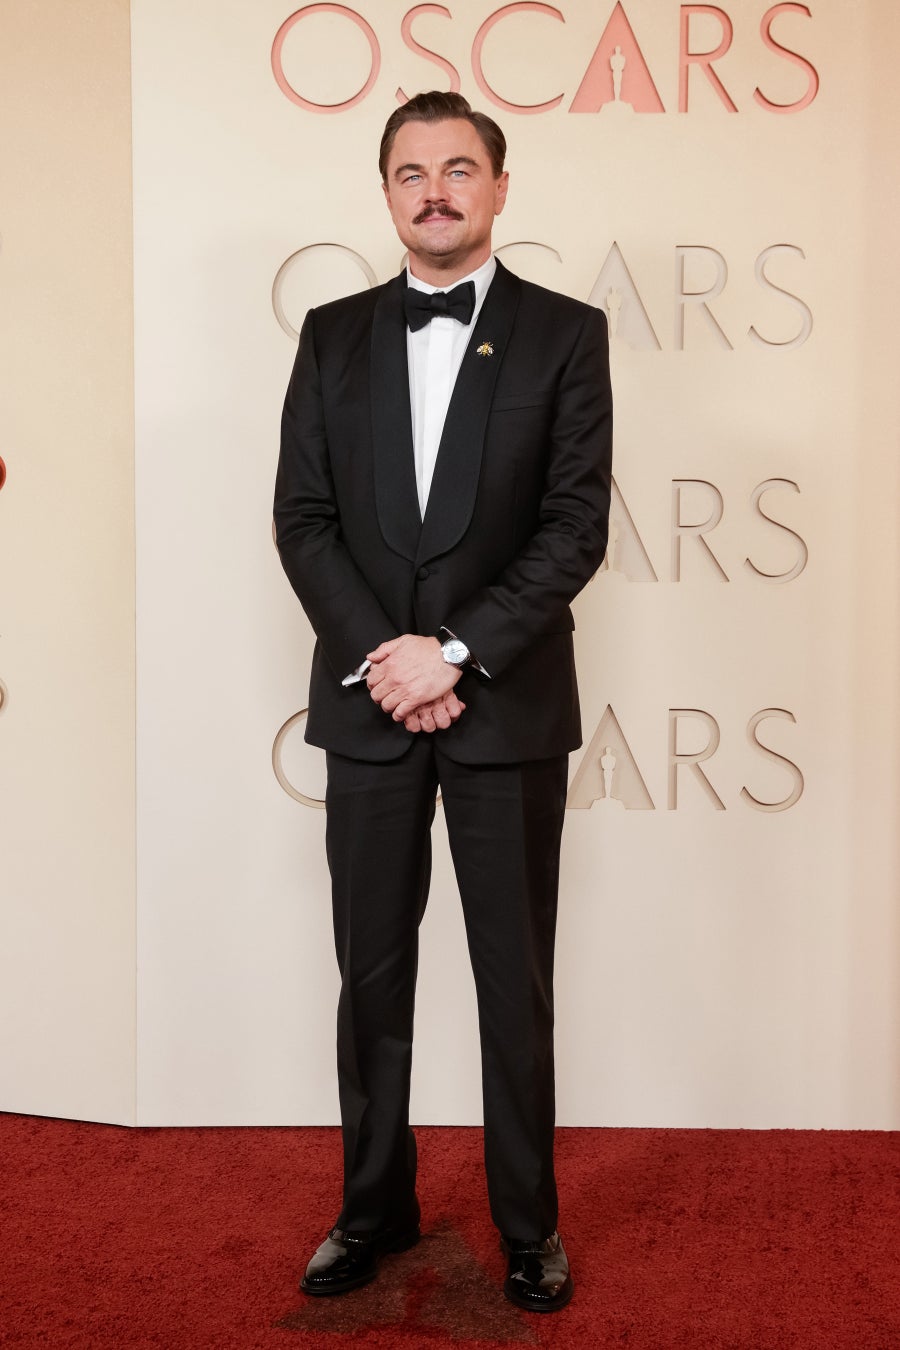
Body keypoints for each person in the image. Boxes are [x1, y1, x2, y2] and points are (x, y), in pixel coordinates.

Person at [274, 90, 612, 1313]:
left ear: (499, 188)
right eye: (411, 172)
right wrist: (392, 659)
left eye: (459, 168)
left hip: (505, 710)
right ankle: (372, 1211)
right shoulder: (331, 335)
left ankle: (530, 1226)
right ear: (386, 193)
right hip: (373, 707)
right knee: (371, 978)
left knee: (513, 980)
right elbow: (303, 519)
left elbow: (574, 527)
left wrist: (456, 653)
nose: (435, 191)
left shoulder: (567, 334)